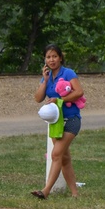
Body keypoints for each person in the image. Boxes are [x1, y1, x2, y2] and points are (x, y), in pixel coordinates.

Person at [32, 44, 84, 199]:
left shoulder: (68, 73)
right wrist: (45, 80)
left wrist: (59, 99)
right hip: (56, 121)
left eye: (54, 56)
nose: (52, 60)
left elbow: (79, 92)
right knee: (64, 158)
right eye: (48, 57)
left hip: (71, 120)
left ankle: (46, 191)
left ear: (60, 58)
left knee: (56, 154)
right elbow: (38, 98)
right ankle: (75, 194)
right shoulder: (47, 77)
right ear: (45, 60)